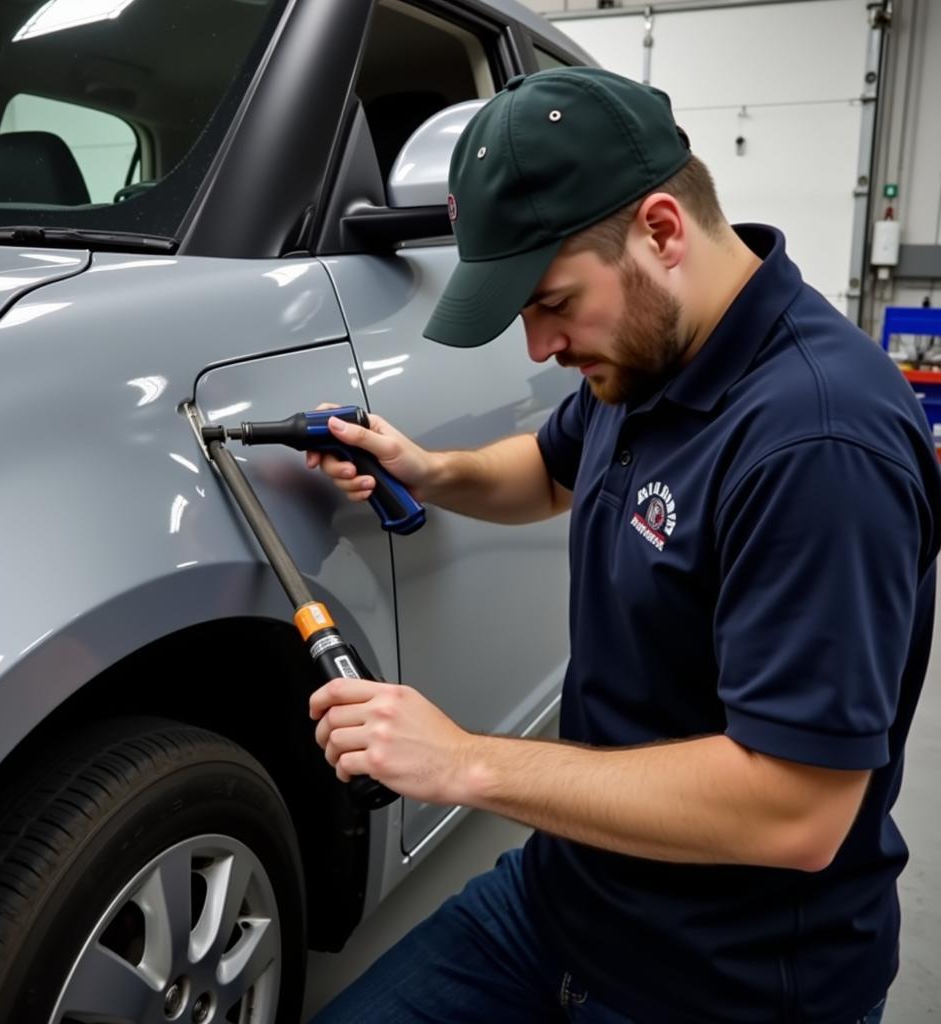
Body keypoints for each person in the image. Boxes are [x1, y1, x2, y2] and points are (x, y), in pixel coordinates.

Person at [305, 67, 939, 1023]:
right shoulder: (653, 351)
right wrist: (426, 468)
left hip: (725, 981)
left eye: (552, 302)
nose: (538, 347)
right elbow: (552, 471)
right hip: (566, 901)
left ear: (661, 230)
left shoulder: (819, 444)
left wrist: (464, 763)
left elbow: (797, 811)